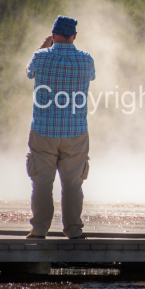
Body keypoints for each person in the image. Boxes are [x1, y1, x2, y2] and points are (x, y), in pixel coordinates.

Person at [25, 16, 95, 239]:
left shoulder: (41, 56)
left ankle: (39, 229)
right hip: (75, 131)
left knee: (42, 183)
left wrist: (43, 47)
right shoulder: (86, 59)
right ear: (74, 36)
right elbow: (91, 77)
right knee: (73, 184)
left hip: (43, 130)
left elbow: (29, 73)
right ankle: (73, 230)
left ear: (53, 35)